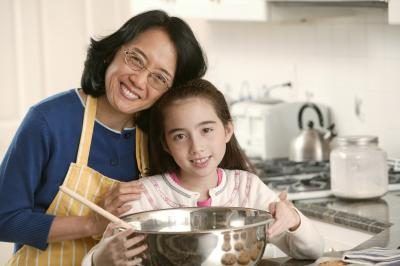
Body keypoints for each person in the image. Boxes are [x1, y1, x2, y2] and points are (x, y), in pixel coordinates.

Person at [0, 10, 207, 265]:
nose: (139, 80)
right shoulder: (48, 121)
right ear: (113, 51)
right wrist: (92, 223)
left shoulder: (156, 136)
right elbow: (4, 219)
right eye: (136, 59)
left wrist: (271, 204)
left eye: (159, 78)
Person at [82, 79, 324, 266]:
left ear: (228, 130)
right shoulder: (143, 197)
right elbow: (109, 256)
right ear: (165, 144)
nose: (196, 147)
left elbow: (312, 251)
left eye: (206, 130)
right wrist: (99, 259)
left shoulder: (248, 188)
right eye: (179, 136)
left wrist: (293, 220)